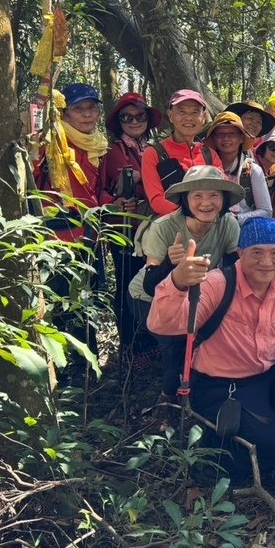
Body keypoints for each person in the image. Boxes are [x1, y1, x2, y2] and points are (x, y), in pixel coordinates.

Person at [149, 217, 275, 481]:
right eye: (257, 253)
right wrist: (178, 283)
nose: (266, 262)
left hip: (264, 376)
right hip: (220, 385)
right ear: (240, 253)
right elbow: (164, 324)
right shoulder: (219, 283)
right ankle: (217, 458)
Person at [132, 165, 242, 398]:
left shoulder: (228, 224)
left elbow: (233, 269)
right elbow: (149, 284)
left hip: (195, 296)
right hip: (148, 298)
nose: (206, 203)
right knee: (177, 341)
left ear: (224, 200)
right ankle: (169, 399)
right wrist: (171, 266)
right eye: (198, 196)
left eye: (214, 195)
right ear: (185, 199)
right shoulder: (164, 227)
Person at [32, 83, 108, 353]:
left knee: (91, 299)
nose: (86, 115)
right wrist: (41, 101)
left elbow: (98, 192)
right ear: (64, 115)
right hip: (59, 235)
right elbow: (32, 155)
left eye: (91, 108)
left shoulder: (98, 145)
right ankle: (68, 369)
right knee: (63, 302)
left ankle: (89, 363)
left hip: (90, 233)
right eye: (78, 109)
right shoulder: (53, 142)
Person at [98, 92, 162, 365]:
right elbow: (108, 185)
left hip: (150, 228)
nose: (134, 121)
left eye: (140, 116)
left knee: (149, 282)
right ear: (119, 121)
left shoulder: (152, 148)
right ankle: (131, 345)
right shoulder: (113, 151)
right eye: (127, 117)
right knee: (127, 284)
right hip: (125, 228)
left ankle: (147, 339)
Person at [141, 89, 221, 216]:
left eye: (195, 112)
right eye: (182, 111)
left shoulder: (210, 155)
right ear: (171, 115)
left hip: (209, 220)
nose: (188, 118)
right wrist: (193, 214)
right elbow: (157, 200)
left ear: (204, 117)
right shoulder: (153, 154)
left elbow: (223, 191)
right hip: (170, 223)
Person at [203, 111, 273, 226]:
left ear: (241, 138)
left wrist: (236, 219)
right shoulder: (206, 166)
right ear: (214, 139)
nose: (226, 138)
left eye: (232, 134)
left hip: (244, 233)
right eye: (220, 134)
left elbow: (266, 211)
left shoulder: (252, 170)